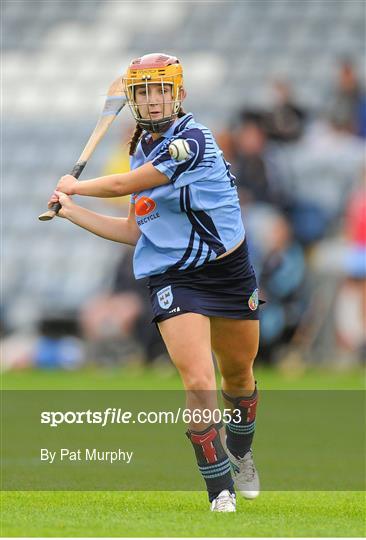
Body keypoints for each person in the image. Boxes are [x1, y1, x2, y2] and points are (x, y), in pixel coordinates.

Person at [48, 53, 261, 512]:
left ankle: (241, 452)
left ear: (178, 94)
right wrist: (70, 210)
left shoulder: (193, 140)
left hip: (228, 271)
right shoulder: (139, 146)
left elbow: (129, 184)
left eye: (160, 89)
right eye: (142, 91)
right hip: (173, 274)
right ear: (133, 99)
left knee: (239, 376)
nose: (151, 98)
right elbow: (132, 229)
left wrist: (77, 185)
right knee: (199, 380)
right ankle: (218, 488)